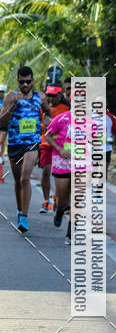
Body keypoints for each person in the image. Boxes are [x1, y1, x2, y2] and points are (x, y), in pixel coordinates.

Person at [0, 66, 51, 232]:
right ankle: (19, 209)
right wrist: (13, 106)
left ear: (32, 80)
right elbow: (1, 121)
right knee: (18, 182)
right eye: (22, 82)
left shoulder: (40, 97)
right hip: (15, 144)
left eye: (28, 81)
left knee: (25, 178)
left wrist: (47, 120)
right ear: (18, 81)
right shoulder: (11, 96)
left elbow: (48, 112)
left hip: (32, 143)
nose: (25, 85)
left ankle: (24, 216)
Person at [43, 106, 75, 244]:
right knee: (63, 200)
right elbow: (47, 135)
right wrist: (59, 149)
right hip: (62, 162)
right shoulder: (61, 118)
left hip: (81, 164)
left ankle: (70, 233)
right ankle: (60, 211)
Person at [39, 84, 70, 213]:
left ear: (60, 95)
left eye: (54, 95)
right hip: (46, 143)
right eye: (49, 95)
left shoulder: (66, 107)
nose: (51, 98)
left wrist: (51, 122)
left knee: (60, 175)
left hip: (61, 146)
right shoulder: (41, 108)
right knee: (46, 172)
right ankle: (46, 201)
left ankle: (58, 199)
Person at [0, 84, 7, 166]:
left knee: (2, 140)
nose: (1, 94)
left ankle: (1, 155)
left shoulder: (6, 100)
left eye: (2, 92)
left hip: (4, 123)